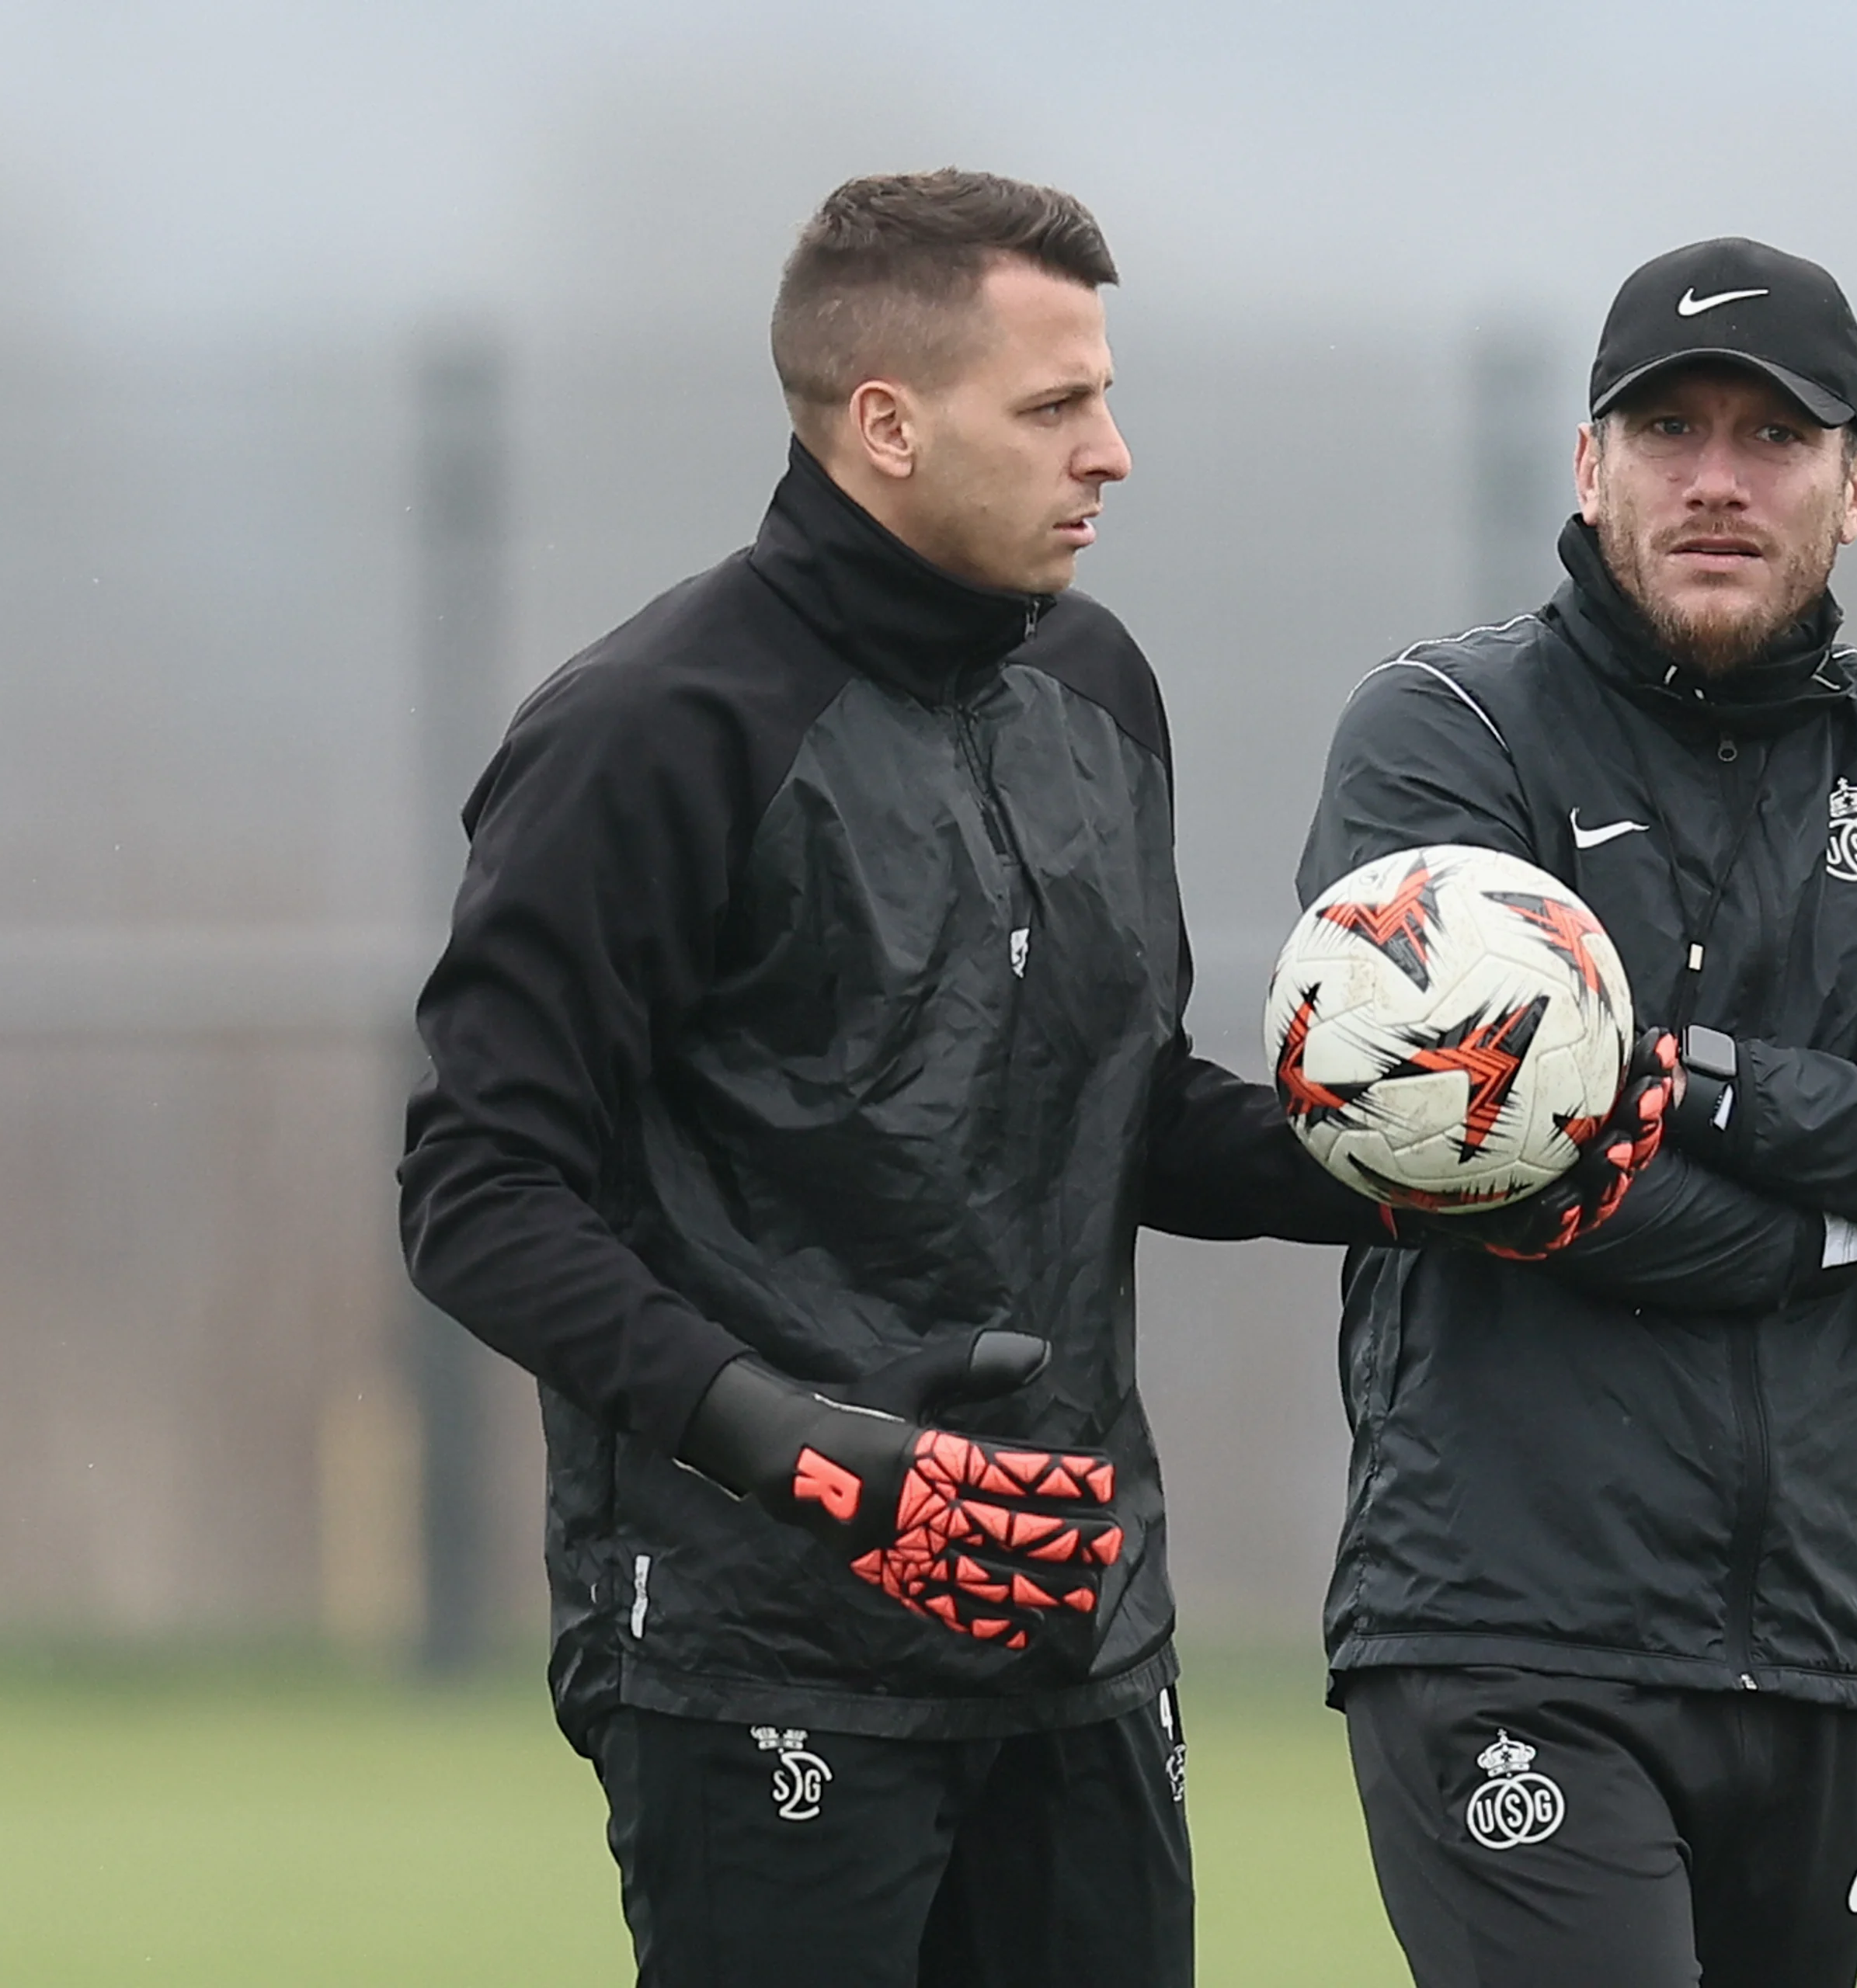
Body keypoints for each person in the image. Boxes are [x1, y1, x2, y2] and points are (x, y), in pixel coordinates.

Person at [398, 169, 1383, 1988]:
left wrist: (1417, 1163)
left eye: (1103, 393)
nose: (1114, 452)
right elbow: (477, 1197)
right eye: (1056, 405)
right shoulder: (648, 732)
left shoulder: (1099, 686)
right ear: (885, 424)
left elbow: (1120, 1105)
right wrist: (796, 1447)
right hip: (758, 1642)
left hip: (1069, 1616)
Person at [1294, 236, 1857, 1987]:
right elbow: (1480, 1160)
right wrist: (1851, 1205)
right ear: (1589, 466)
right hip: (1509, 1627)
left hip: (1826, 1640)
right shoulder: (1447, 731)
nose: (1718, 479)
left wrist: (1717, 1082)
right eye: (1668, 428)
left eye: (1776, 435)